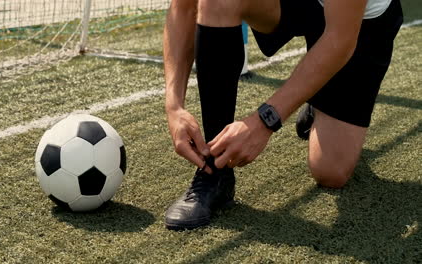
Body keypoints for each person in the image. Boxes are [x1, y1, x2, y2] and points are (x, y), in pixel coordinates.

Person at [163, 0, 403, 230]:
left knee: (331, 172)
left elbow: (339, 39)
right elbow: (183, 6)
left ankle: (317, 96)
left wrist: (264, 121)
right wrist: (174, 106)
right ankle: (214, 171)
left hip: (357, 22)